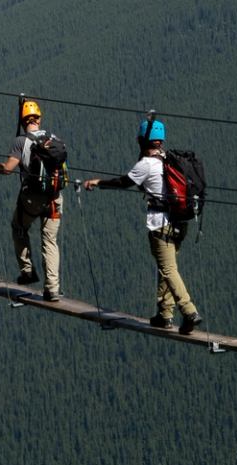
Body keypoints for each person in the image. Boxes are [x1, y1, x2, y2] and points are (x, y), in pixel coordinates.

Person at [80, 113, 202, 334]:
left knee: (168, 268)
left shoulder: (146, 164)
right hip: (180, 222)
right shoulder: (170, 159)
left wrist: (97, 182)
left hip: (160, 224)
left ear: (141, 140)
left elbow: (123, 182)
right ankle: (165, 314)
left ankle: (189, 310)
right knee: (167, 267)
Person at [0, 99, 65, 303]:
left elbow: (8, 169)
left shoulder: (20, 142)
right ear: (39, 119)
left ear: (23, 122)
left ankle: (27, 271)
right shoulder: (55, 139)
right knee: (49, 241)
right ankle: (52, 289)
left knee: (18, 227)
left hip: (32, 198)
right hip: (54, 198)